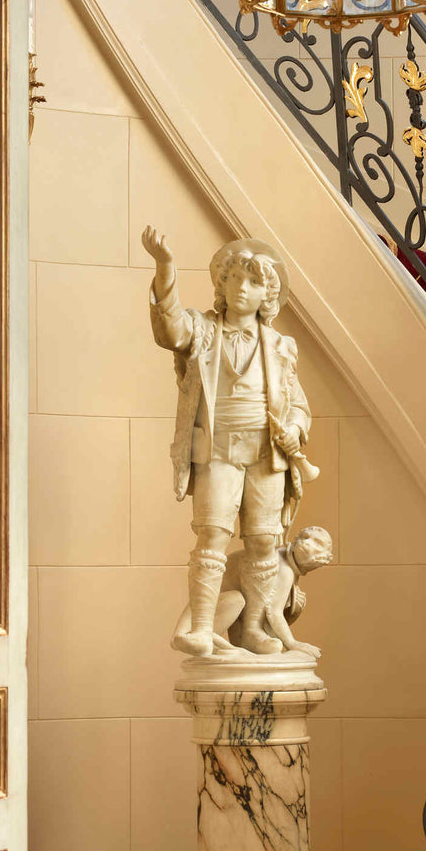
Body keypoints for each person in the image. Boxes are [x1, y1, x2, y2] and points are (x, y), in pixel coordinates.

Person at [142, 226, 312, 657]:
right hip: (216, 451)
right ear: (221, 283)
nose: (241, 288)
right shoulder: (202, 330)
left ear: (267, 294)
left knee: (263, 541)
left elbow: (298, 405)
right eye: (234, 278)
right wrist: (165, 269)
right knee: (212, 534)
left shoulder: (280, 346)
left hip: (266, 454)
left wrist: (293, 429)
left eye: (253, 281)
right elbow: (169, 331)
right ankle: (201, 628)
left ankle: (253, 627)